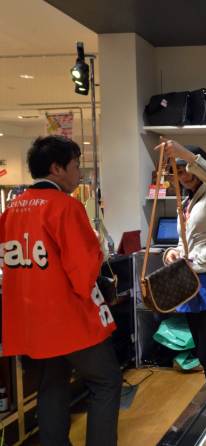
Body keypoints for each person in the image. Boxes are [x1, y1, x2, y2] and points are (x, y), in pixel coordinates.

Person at [0, 136, 122, 446]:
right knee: (106, 380)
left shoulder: (12, 209)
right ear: (57, 168)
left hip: (31, 321)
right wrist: (98, 256)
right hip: (70, 318)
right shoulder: (66, 207)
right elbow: (83, 273)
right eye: (75, 165)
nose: (79, 173)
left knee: (52, 386)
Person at [158, 140, 206, 380]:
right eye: (179, 172)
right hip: (189, 281)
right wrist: (172, 253)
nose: (185, 176)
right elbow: (185, 242)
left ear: (201, 168)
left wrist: (185, 155)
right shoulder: (188, 202)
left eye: (188, 169)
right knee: (202, 354)